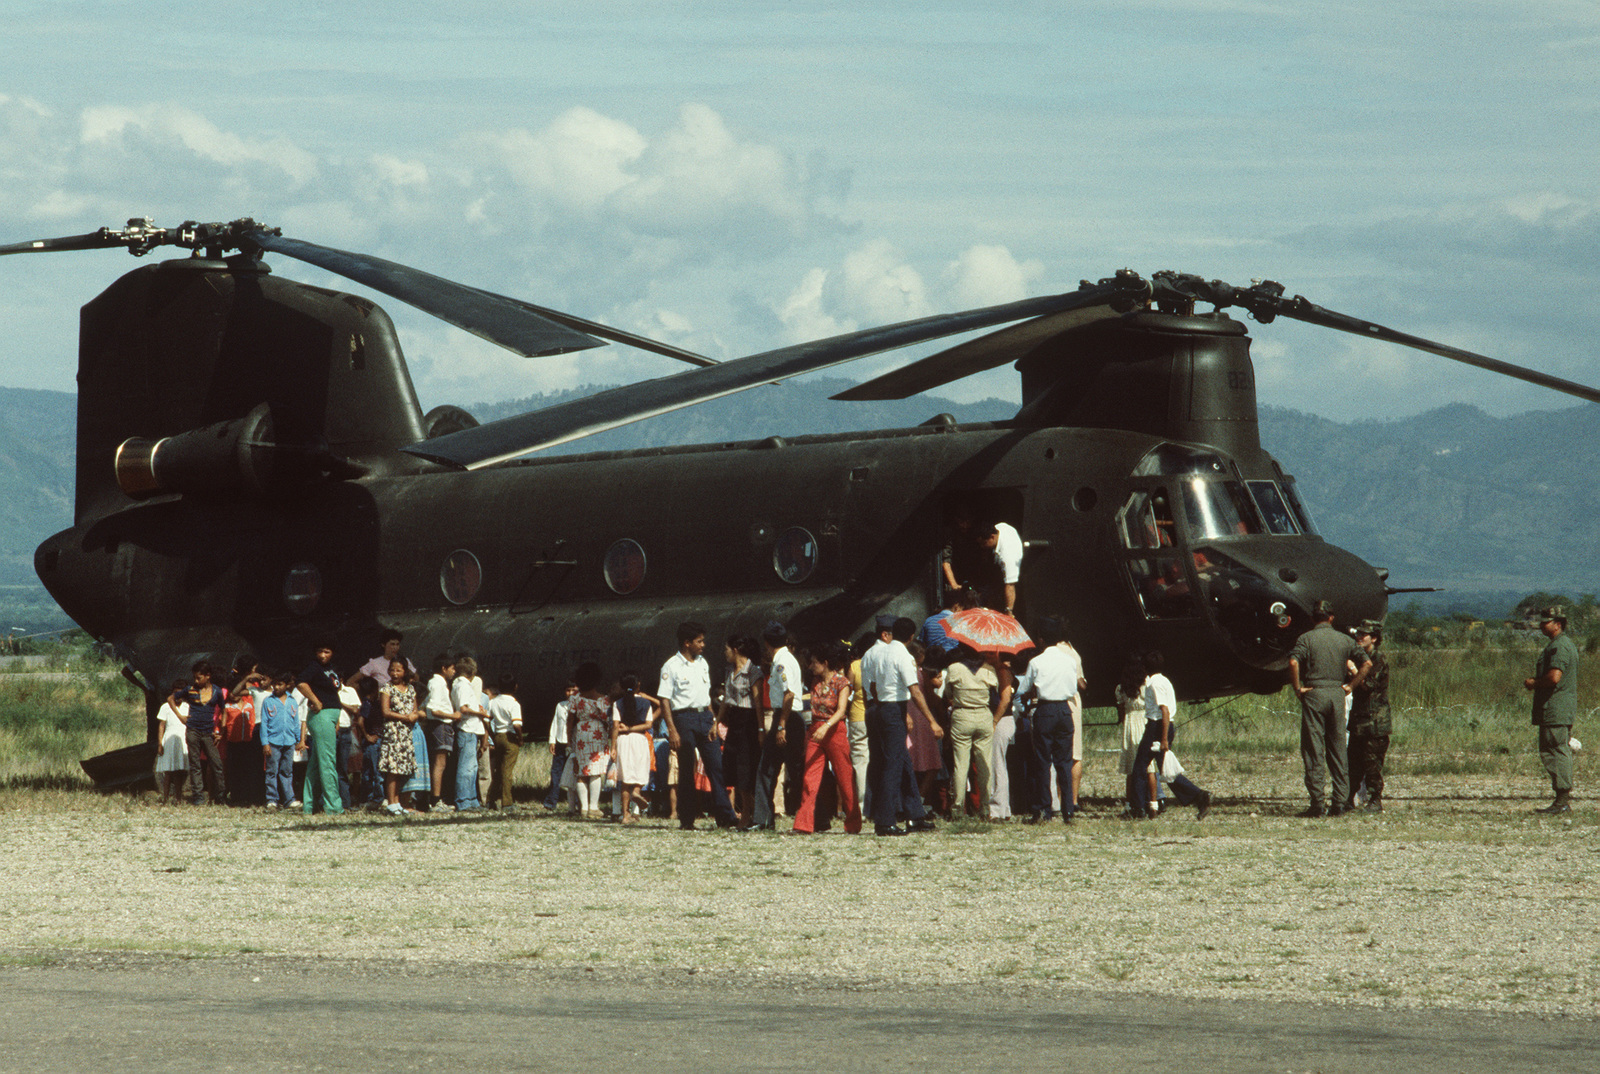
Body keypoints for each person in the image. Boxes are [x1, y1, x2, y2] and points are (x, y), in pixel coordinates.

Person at [1288, 601, 1370, 817]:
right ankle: (1339, 803)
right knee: (1338, 747)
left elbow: (1294, 663)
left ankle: (1317, 804)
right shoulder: (1344, 639)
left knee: (1313, 748)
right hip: (1336, 694)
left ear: (1313, 617)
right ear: (1331, 618)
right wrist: (1351, 686)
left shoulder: (1306, 639)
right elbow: (1367, 664)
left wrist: (1298, 689)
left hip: (1314, 693)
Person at [861, 614, 939, 836]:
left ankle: (915, 814)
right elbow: (914, 690)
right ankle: (885, 820)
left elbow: (873, 685)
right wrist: (932, 721)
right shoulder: (903, 656)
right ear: (912, 636)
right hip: (892, 709)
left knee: (901, 763)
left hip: (876, 707)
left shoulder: (874, 653)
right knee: (893, 766)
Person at [659, 621, 737, 831]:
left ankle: (725, 816)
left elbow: (706, 695)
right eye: (699, 641)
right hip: (683, 719)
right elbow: (664, 700)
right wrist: (672, 729)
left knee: (716, 767)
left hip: (704, 717)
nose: (703, 645)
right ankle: (687, 818)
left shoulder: (703, 663)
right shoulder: (671, 666)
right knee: (686, 769)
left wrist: (713, 721)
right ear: (687, 643)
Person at [1013, 618, 1084, 823]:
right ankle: (1068, 810)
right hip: (1065, 710)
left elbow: (1023, 690)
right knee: (1064, 761)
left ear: (1041, 640)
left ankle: (1043, 809)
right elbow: (1073, 688)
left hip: (1045, 710)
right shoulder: (1070, 661)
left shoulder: (1036, 662)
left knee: (1043, 762)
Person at [1128, 650, 1213, 820]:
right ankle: (1199, 796)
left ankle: (1137, 809)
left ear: (1146, 667)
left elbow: (1164, 710)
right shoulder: (1165, 681)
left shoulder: (1154, 684)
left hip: (1157, 727)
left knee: (1139, 768)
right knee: (1165, 769)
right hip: (1163, 727)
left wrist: (1164, 738)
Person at [793, 644, 861, 834]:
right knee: (810, 778)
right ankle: (803, 823)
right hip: (816, 731)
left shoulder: (842, 682)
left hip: (834, 730)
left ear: (825, 663)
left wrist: (826, 727)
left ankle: (853, 822)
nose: (810, 666)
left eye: (814, 663)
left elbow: (841, 710)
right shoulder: (814, 681)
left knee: (844, 778)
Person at [1525, 607, 1580, 814]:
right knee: (1555, 750)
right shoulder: (1560, 645)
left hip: (1555, 709)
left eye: (1546, 622)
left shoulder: (1560, 647)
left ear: (1558, 624)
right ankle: (1561, 800)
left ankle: (1562, 801)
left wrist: (1533, 683)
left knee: (1555, 751)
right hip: (1556, 709)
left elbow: (1554, 677)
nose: (1541, 625)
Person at [754, 621, 805, 831]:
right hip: (790, 717)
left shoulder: (781, 662)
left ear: (766, 642)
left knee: (768, 769)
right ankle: (814, 816)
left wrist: (782, 725)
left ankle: (763, 818)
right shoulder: (787, 658)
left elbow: (789, 694)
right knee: (795, 769)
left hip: (786, 717)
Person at [942, 643, 999, 819]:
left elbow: (948, 693)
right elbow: (994, 693)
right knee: (984, 764)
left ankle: (958, 808)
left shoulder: (954, 668)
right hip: (983, 715)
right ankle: (984, 808)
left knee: (961, 764)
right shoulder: (989, 669)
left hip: (962, 714)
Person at [296, 641, 353, 816]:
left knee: (316, 764)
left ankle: (309, 805)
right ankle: (334, 806)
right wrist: (315, 700)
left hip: (331, 715)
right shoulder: (313, 667)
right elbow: (301, 683)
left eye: (326, 651)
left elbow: (333, 692)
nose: (322, 655)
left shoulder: (330, 669)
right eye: (320, 651)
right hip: (321, 716)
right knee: (329, 761)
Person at [714, 636, 763, 829]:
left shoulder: (753, 671)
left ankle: (749, 814)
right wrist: (717, 722)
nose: (725, 653)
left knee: (745, 768)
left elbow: (758, 702)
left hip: (748, 720)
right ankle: (746, 811)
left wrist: (760, 729)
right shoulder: (729, 671)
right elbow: (727, 699)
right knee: (732, 766)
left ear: (735, 650)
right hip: (733, 719)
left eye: (727, 649)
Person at [1346, 620, 1391, 814]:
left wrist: (1355, 671)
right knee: (1353, 761)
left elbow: (1368, 685)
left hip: (1375, 722)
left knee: (1372, 762)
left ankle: (1375, 799)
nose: (1358, 638)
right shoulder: (1359, 657)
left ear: (1374, 638)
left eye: (1363, 635)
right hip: (1359, 720)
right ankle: (1348, 798)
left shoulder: (1378, 659)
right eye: (1357, 634)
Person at [611, 674, 657, 824]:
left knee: (624, 779)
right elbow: (648, 725)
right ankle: (636, 791)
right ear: (638, 686)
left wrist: (613, 747)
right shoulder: (645, 703)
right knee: (640, 772)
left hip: (623, 740)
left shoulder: (617, 703)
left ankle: (625, 815)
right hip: (639, 739)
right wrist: (632, 727)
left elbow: (615, 727)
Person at [567, 661, 612, 818]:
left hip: (580, 733)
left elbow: (570, 719)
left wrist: (568, 738)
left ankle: (584, 808)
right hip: (597, 732)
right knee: (596, 771)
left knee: (581, 771)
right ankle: (594, 807)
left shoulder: (574, 699)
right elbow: (607, 719)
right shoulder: (602, 699)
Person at [378, 659, 421, 816]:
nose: (394, 674)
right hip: (393, 732)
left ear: (405, 671)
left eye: (398, 670)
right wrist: (405, 717)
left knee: (402, 768)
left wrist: (413, 717)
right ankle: (391, 803)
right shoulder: (387, 688)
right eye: (392, 670)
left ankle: (397, 803)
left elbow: (415, 710)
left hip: (406, 734)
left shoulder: (410, 689)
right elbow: (385, 711)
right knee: (392, 768)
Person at [183, 661, 227, 806]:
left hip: (209, 732)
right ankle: (198, 797)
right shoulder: (192, 690)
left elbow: (224, 711)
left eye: (198, 678)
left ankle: (220, 796)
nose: (196, 681)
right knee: (195, 764)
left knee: (216, 763)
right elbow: (172, 698)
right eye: (194, 678)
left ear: (208, 676)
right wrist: (181, 717)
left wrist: (220, 730)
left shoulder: (216, 692)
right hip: (193, 730)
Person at [450, 655, 488, 812]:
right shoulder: (463, 686)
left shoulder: (461, 685)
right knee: (466, 767)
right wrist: (481, 714)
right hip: (467, 728)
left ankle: (472, 799)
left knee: (471, 767)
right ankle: (463, 800)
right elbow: (464, 709)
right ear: (473, 672)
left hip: (471, 729)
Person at [259, 673, 301, 811]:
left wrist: (298, 740)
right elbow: (264, 723)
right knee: (272, 771)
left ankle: (289, 799)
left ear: (287, 685)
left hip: (289, 741)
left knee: (287, 771)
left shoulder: (292, 701)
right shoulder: (268, 701)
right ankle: (272, 799)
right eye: (274, 684)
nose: (276, 687)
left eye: (280, 684)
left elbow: (296, 722)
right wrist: (265, 743)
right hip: (273, 742)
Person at [421, 653, 457, 811]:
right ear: (444, 668)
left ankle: (433, 798)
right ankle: (435, 800)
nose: (454, 671)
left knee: (438, 762)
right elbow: (434, 709)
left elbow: (425, 705)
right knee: (439, 763)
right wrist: (453, 715)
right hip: (440, 724)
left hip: (438, 725)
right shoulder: (438, 684)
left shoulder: (435, 683)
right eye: (452, 668)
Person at [485, 673, 523, 811]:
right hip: (510, 737)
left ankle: (491, 799)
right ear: (515, 687)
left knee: (498, 771)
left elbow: (487, 721)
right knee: (507, 772)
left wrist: (493, 735)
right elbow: (517, 725)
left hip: (498, 736)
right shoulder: (514, 704)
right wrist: (520, 738)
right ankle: (507, 803)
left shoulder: (493, 702)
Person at [154, 680, 189, 805]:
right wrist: (160, 743)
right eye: (175, 693)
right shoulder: (165, 707)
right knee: (168, 771)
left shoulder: (187, 706)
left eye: (180, 694)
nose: (178, 696)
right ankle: (165, 798)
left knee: (179, 771)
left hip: (182, 740)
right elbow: (161, 726)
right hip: (169, 740)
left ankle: (178, 798)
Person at [347, 628, 417, 687]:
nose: (395, 647)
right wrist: (367, 691)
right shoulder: (374, 664)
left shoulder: (405, 661)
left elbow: (417, 680)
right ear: (383, 645)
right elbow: (350, 682)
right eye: (392, 644)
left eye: (397, 644)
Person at [545, 680, 576, 811]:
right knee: (556, 772)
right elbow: (555, 723)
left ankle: (577, 803)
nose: (570, 693)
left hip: (574, 743)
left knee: (576, 773)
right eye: (568, 690)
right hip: (560, 742)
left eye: (573, 690)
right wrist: (552, 740)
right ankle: (551, 802)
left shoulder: (580, 706)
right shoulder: (560, 705)